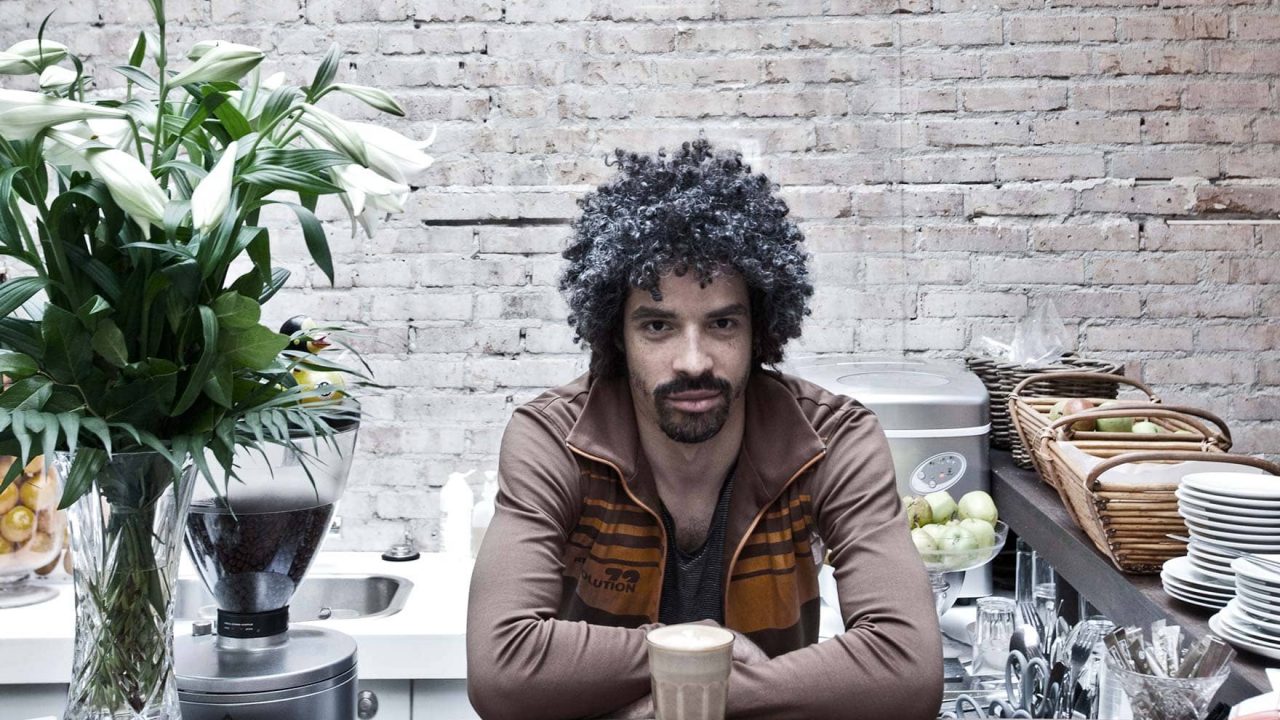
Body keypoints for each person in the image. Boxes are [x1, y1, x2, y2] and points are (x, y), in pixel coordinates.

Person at [466, 140, 943, 720]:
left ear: (759, 329)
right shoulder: (556, 441)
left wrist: (685, 696)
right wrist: (700, 650)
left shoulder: (830, 440)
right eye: (658, 326)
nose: (693, 361)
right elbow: (502, 668)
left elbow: (908, 670)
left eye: (721, 323)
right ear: (617, 335)